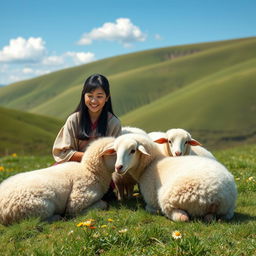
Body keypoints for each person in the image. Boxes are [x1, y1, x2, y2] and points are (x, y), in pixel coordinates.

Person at [52, 74, 121, 200]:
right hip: (72, 166)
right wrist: (89, 157)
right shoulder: (73, 120)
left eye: (99, 96)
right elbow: (62, 152)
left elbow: (115, 155)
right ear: (83, 95)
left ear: (107, 98)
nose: (94, 101)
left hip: (100, 172)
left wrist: (94, 162)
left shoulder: (113, 123)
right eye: (90, 96)